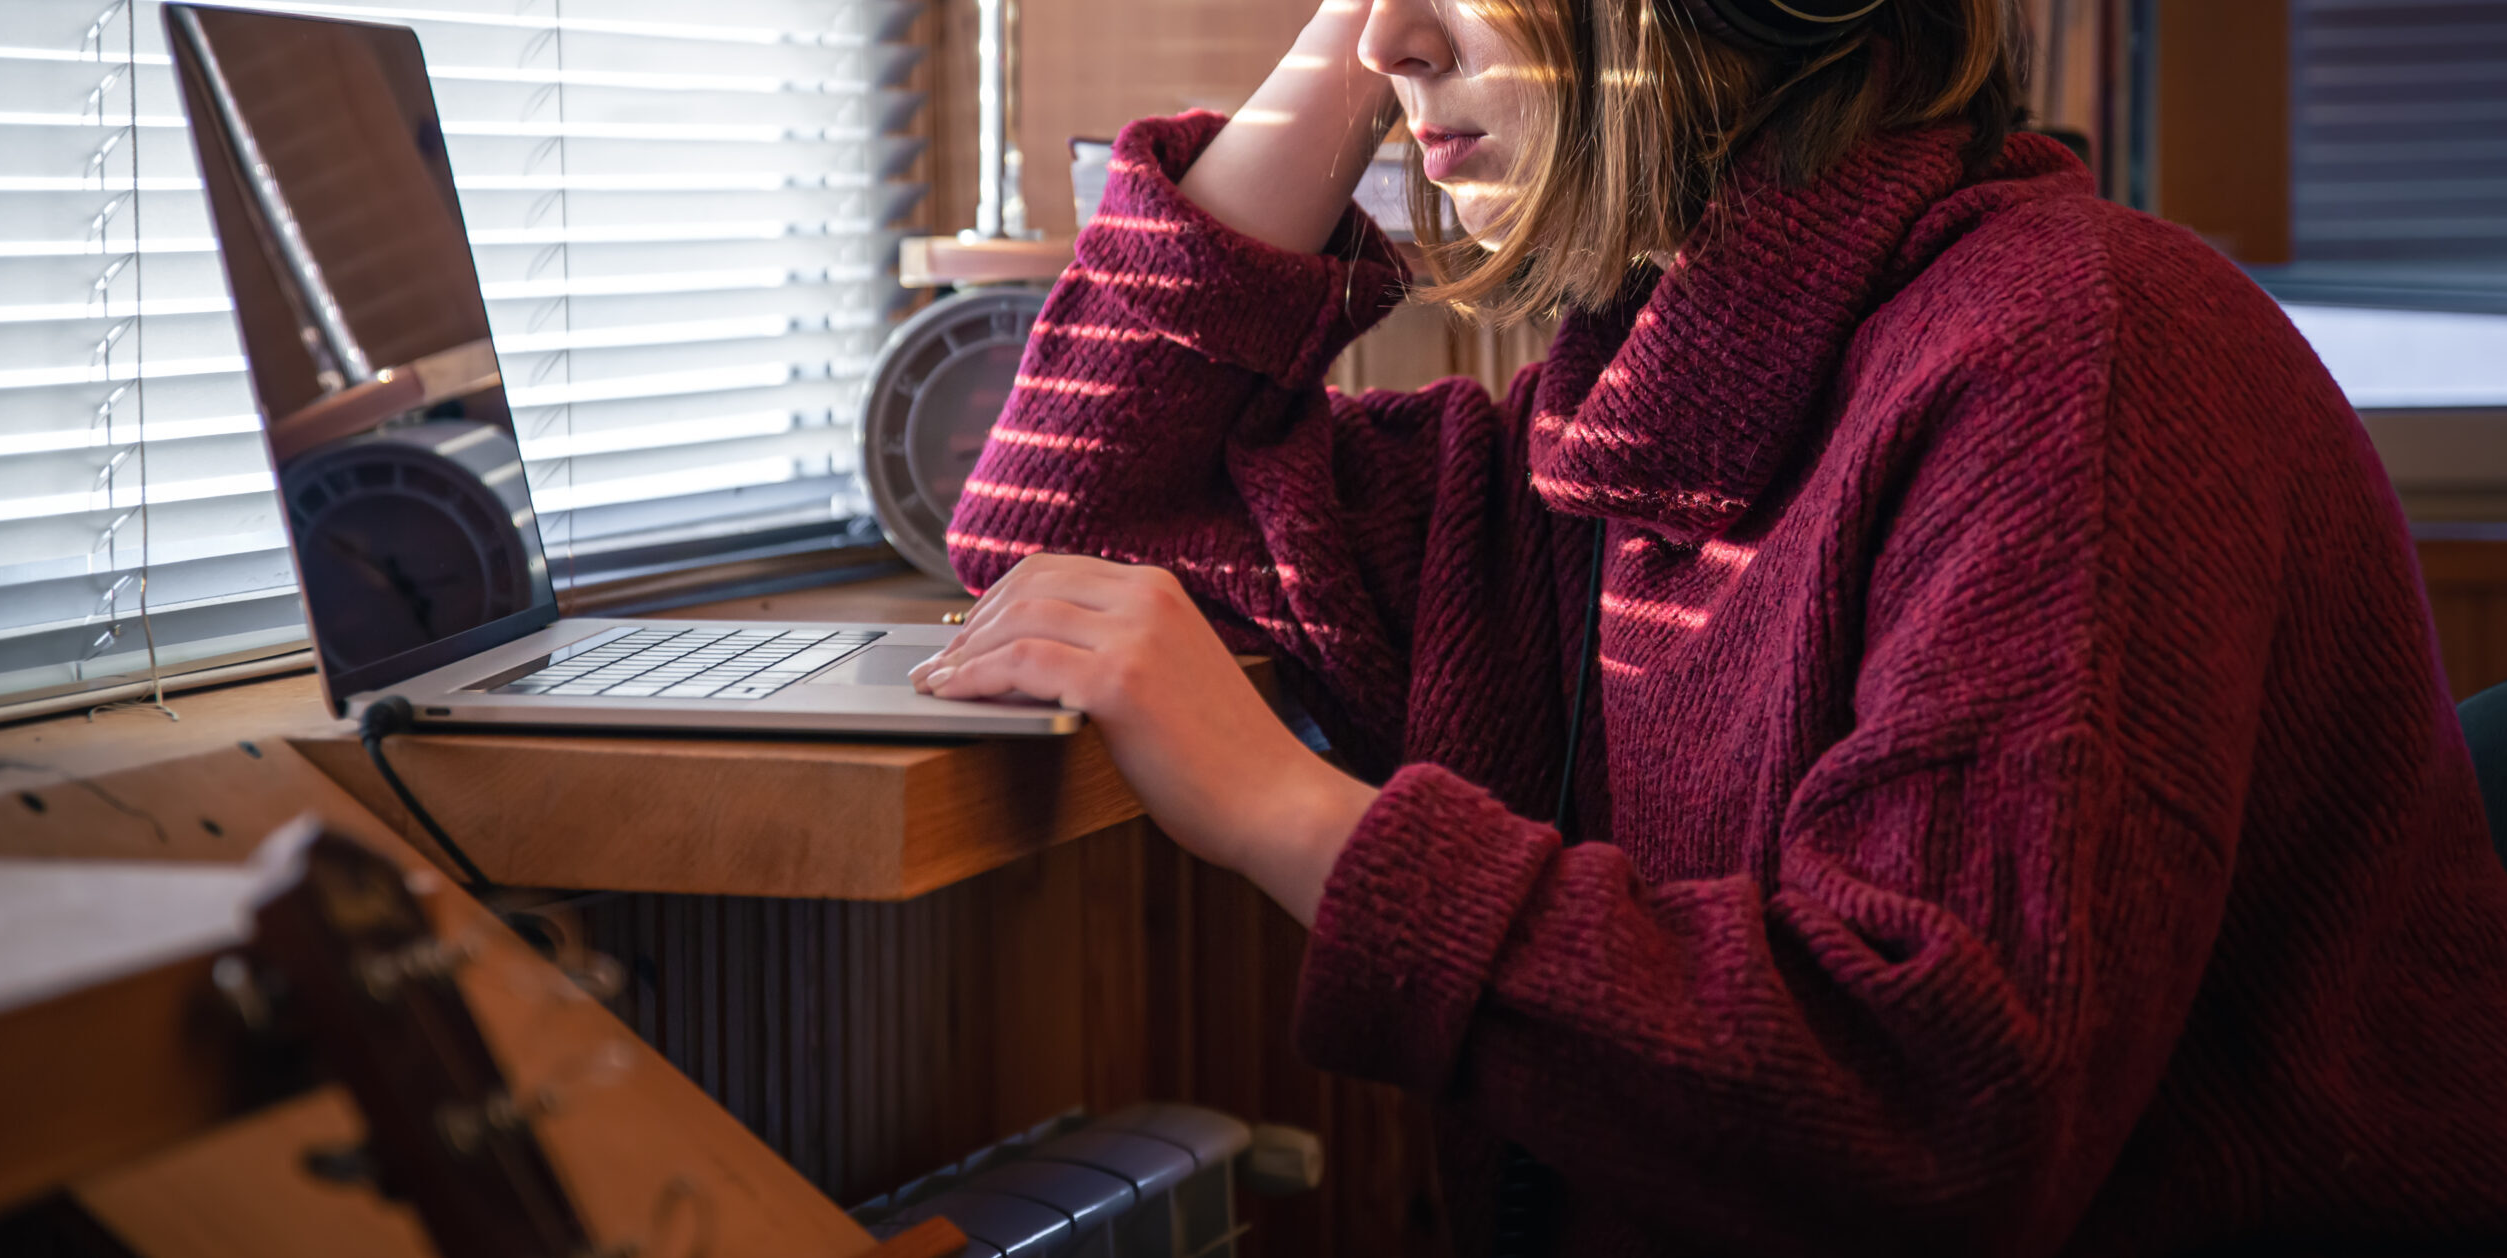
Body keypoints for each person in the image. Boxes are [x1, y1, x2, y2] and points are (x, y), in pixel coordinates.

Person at [911, 0, 2507, 1250]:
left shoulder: (2078, 361)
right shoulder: (1631, 429)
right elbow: (1052, 522)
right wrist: (1352, 45)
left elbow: (1938, 1111)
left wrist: (1291, 817)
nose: (1388, 40)